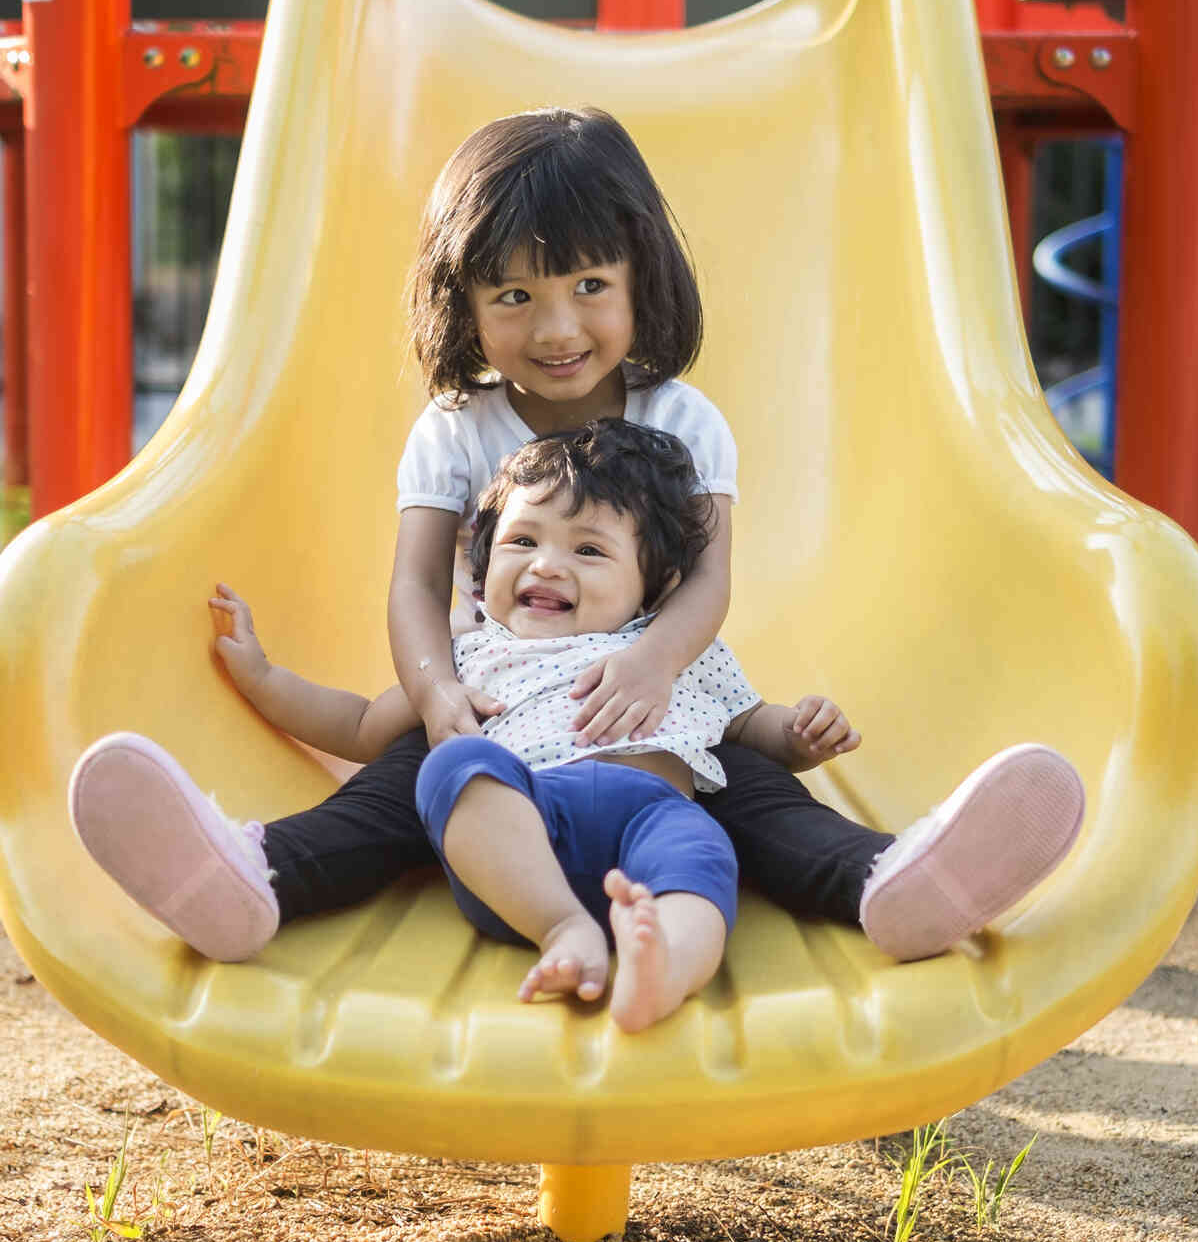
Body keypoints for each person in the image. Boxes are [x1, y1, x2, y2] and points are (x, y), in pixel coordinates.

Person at [66, 105, 1086, 977]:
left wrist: (654, 661)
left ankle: (886, 882)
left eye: (589, 286)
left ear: (642, 275)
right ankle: (253, 880)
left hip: (657, 716)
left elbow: (709, 575)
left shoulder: (683, 421)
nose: (557, 327)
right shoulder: (458, 430)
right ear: (463, 301)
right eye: (514, 296)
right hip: (496, 707)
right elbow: (417, 587)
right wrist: (439, 695)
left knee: (763, 799)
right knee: (403, 784)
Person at [204, 419, 873, 1030]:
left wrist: (801, 735)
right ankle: (562, 929)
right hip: (516, 841)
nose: (546, 564)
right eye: (522, 541)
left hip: (651, 818)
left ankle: (663, 968)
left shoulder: (662, 655)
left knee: (700, 857)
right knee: (451, 765)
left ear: (653, 585)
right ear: (484, 562)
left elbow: (751, 726)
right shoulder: (472, 652)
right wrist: (262, 678)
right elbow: (359, 726)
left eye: (589, 551)